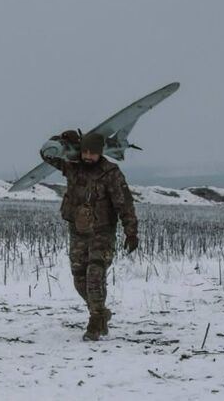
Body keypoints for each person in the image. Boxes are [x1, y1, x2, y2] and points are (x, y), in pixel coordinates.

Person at [41, 131, 138, 341]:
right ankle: (101, 312)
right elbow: (46, 155)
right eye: (84, 152)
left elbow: (124, 204)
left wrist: (131, 232)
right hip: (78, 232)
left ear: (100, 152)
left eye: (92, 153)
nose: (87, 156)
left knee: (95, 274)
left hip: (102, 232)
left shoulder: (111, 173)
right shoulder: (73, 167)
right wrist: (60, 141)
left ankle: (95, 322)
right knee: (79, 279)